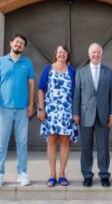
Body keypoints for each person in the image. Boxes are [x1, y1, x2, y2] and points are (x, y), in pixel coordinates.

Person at [0, 34, 35, 188]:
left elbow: (31, 84)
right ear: (11, 43)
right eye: (16, 42)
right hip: (4, 109)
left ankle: (22, 173)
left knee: (22, 143)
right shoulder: (0, 62)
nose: (18, 45)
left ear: (24, 47)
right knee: (2, 143)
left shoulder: (27, 63)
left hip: (22, 109)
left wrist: (31, 104)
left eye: (21, 43)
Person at [72, 43, 112, 188]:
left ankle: (104, 174)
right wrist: (75, 113)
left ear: (101, 54)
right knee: (86, 148)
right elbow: (77, 94)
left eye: (98, 52)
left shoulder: (109, 72)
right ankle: (87, 175)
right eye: (93, 52)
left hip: (104, 115)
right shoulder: (80, 72)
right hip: (85, 115)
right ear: (89, 54)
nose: (95, 55)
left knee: (103, 147)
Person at [37, 45, 78, 187]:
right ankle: (52, 175)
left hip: (66, 111)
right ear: (56, 54)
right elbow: (41, 89)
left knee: (65, 141)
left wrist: (75, 112)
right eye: (59, 52)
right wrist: (41, 109)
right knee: (51, 140)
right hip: (51, 112)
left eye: (64, 52)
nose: (62, 54)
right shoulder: (48, 69)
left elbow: (76, 93)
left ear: (67, 55)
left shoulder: (72, 71)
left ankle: (62, 174)